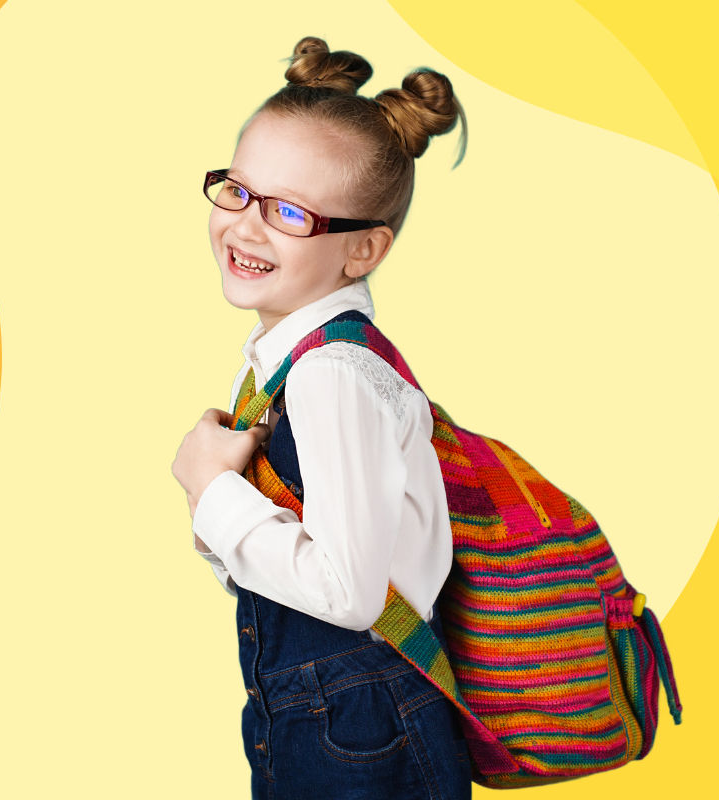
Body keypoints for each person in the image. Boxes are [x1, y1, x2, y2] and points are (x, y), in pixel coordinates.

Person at [171, 35, 472, 800]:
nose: (245, 226)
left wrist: (213, 491)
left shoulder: (333, 376)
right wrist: (220, 508)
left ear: (363, 249)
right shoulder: (288, 359)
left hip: (361, 722)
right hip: (328, 713)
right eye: (237, 190)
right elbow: (288, 565)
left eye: (290, 213)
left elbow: (350, 593)